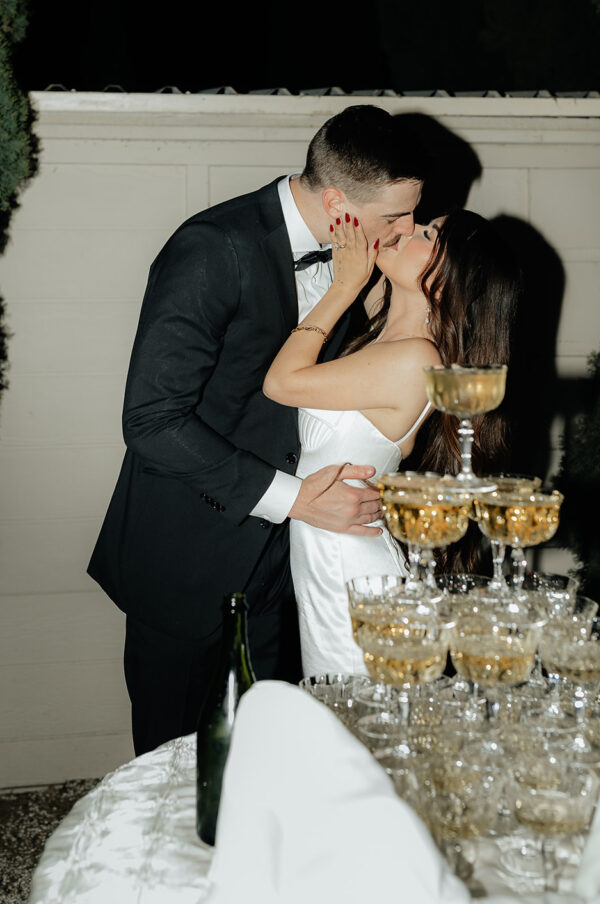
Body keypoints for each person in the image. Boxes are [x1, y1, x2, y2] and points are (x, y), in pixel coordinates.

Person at [87, 105, 423, 755]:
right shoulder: (212, 250)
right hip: (186, 562)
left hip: (285, 574)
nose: (406, 229)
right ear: (337, 202)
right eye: (394, 217)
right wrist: (295, 499)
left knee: (270, 762)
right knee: (176, 772)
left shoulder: (362, 264)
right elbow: (152, 421)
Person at [264, 208, 521, 676]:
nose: (406, 231)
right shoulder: (380, 336)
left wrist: (343, 287)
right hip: (330, 557)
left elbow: (281, 383)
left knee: (353, 722)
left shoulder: (415, 358)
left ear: (450, 280)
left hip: (351, 569)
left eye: (427, 234)